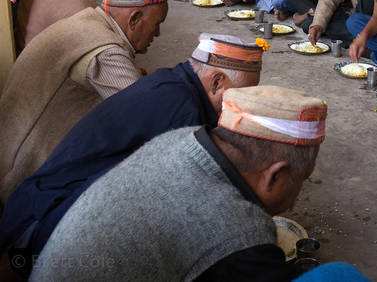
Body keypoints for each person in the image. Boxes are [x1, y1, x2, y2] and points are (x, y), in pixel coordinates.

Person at [0, 34, 264, 273]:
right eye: (240, 98)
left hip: (32, 207)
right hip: (43, 231)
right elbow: (189, 204)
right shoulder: (184, 112)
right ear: (216, 81)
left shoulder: (173, 84)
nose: (241, 108)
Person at [29, 85, 326, 281]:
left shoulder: (182, 138)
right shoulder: (238, 231)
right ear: (275, 175)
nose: (297, 197)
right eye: (301, 181)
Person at [0, 0, 168, 203]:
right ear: (135, 19)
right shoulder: (107, 51)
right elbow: (147, 120)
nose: (157, 34)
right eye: (157, 25)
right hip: (20, 179)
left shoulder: (89, 20)